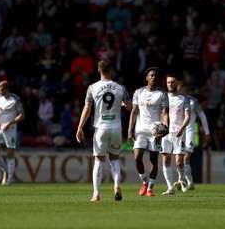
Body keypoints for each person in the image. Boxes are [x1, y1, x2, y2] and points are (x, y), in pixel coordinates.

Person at [76, 59, 132, 202]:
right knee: (114, 159)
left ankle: (96, 194)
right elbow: (130, 107)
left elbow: (87, 108)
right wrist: (122, 104)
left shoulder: (92, 87)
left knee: (98, 161)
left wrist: (80, 127)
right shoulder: (121, 88)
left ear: (99, 70)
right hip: (116, 128)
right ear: (112, 70)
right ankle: (117, 187)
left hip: (100, 128)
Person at [128, 67, 169, 197]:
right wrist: (129, 130)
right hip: (140, 131)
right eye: (151, 75)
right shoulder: (139, 92)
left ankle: (150, 188)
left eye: (156, 76)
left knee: (153, 160)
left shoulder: (162, 94)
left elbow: (165, 113)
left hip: (155, 132)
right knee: (137, 157)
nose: (153, 78)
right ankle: (144, 181)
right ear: (147, 78)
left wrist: (165, 127)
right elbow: (134, 112)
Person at [160, 73, 191, 195]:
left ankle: (181, 178)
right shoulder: (163, 97)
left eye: (172, 82)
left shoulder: (184, 98)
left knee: (179, 161)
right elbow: (161, 114)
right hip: (165, 133)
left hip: (179, 132)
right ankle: (170, 188)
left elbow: (187, 116)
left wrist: (182, 128)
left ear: (178, 83)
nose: (170, 84)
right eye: (168, 82)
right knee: (165, 159)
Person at [178, 81, 211, 190]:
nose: (180, 91)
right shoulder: (174, 101)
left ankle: (182, 182)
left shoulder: (193, 101)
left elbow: (202, 116)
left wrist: (207, 132)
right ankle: (190, 182)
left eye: (183, 88)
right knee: (182, 160)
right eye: (179, 88)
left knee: (185, 158)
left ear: (187, 90)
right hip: (178, 134)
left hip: (190, 133)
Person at [0, 81, 25, 186]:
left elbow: (22, 115)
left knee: (10, 153)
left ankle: (9, 180)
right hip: (0, 128)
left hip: (10, 128)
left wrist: (10, 123)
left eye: (0, 90)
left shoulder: (15, 100)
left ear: (6, 89)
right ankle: (5, 170)